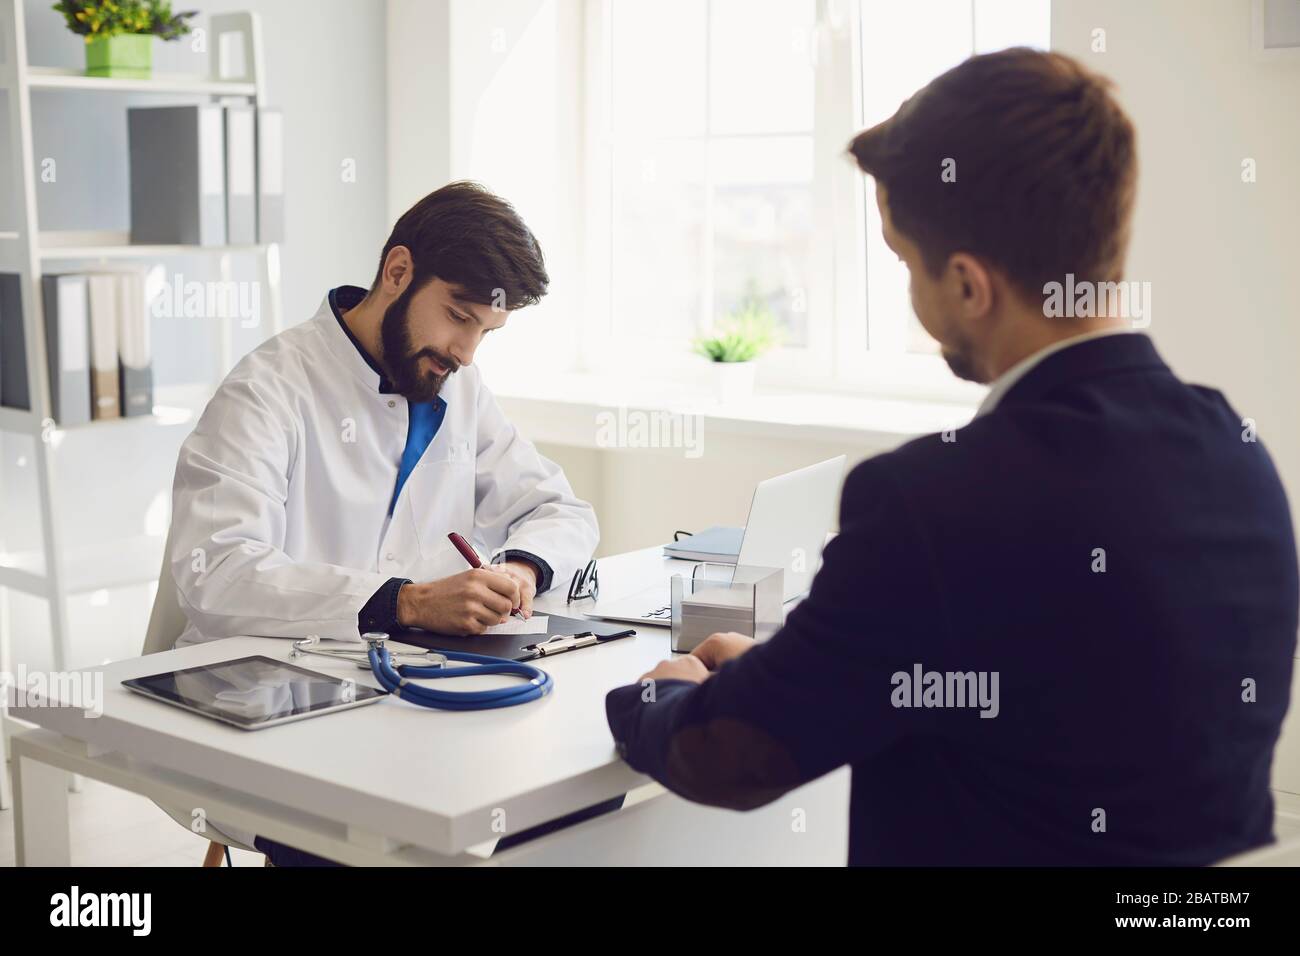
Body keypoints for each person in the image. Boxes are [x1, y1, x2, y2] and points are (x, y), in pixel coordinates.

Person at [605, 48, 1298, 866]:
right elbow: (1055, 693)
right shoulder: (1238, 455)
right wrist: (808, 672)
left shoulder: (931, 501)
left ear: (970, 284)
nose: (911, 294)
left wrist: (660, 692)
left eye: (904, 262)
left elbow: (732, 754)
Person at [167, 182, 601, 865]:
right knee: (376, 842)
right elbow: (217, 572)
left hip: (411, 694)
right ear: (397, 272)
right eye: (458, 316)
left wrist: (520, 567)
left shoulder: (457, 387)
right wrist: (405, 600)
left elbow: (560, 509)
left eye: (485, 332)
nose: (466, 352)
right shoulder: (268, 389)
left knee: (573, 797)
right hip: (279, 697)